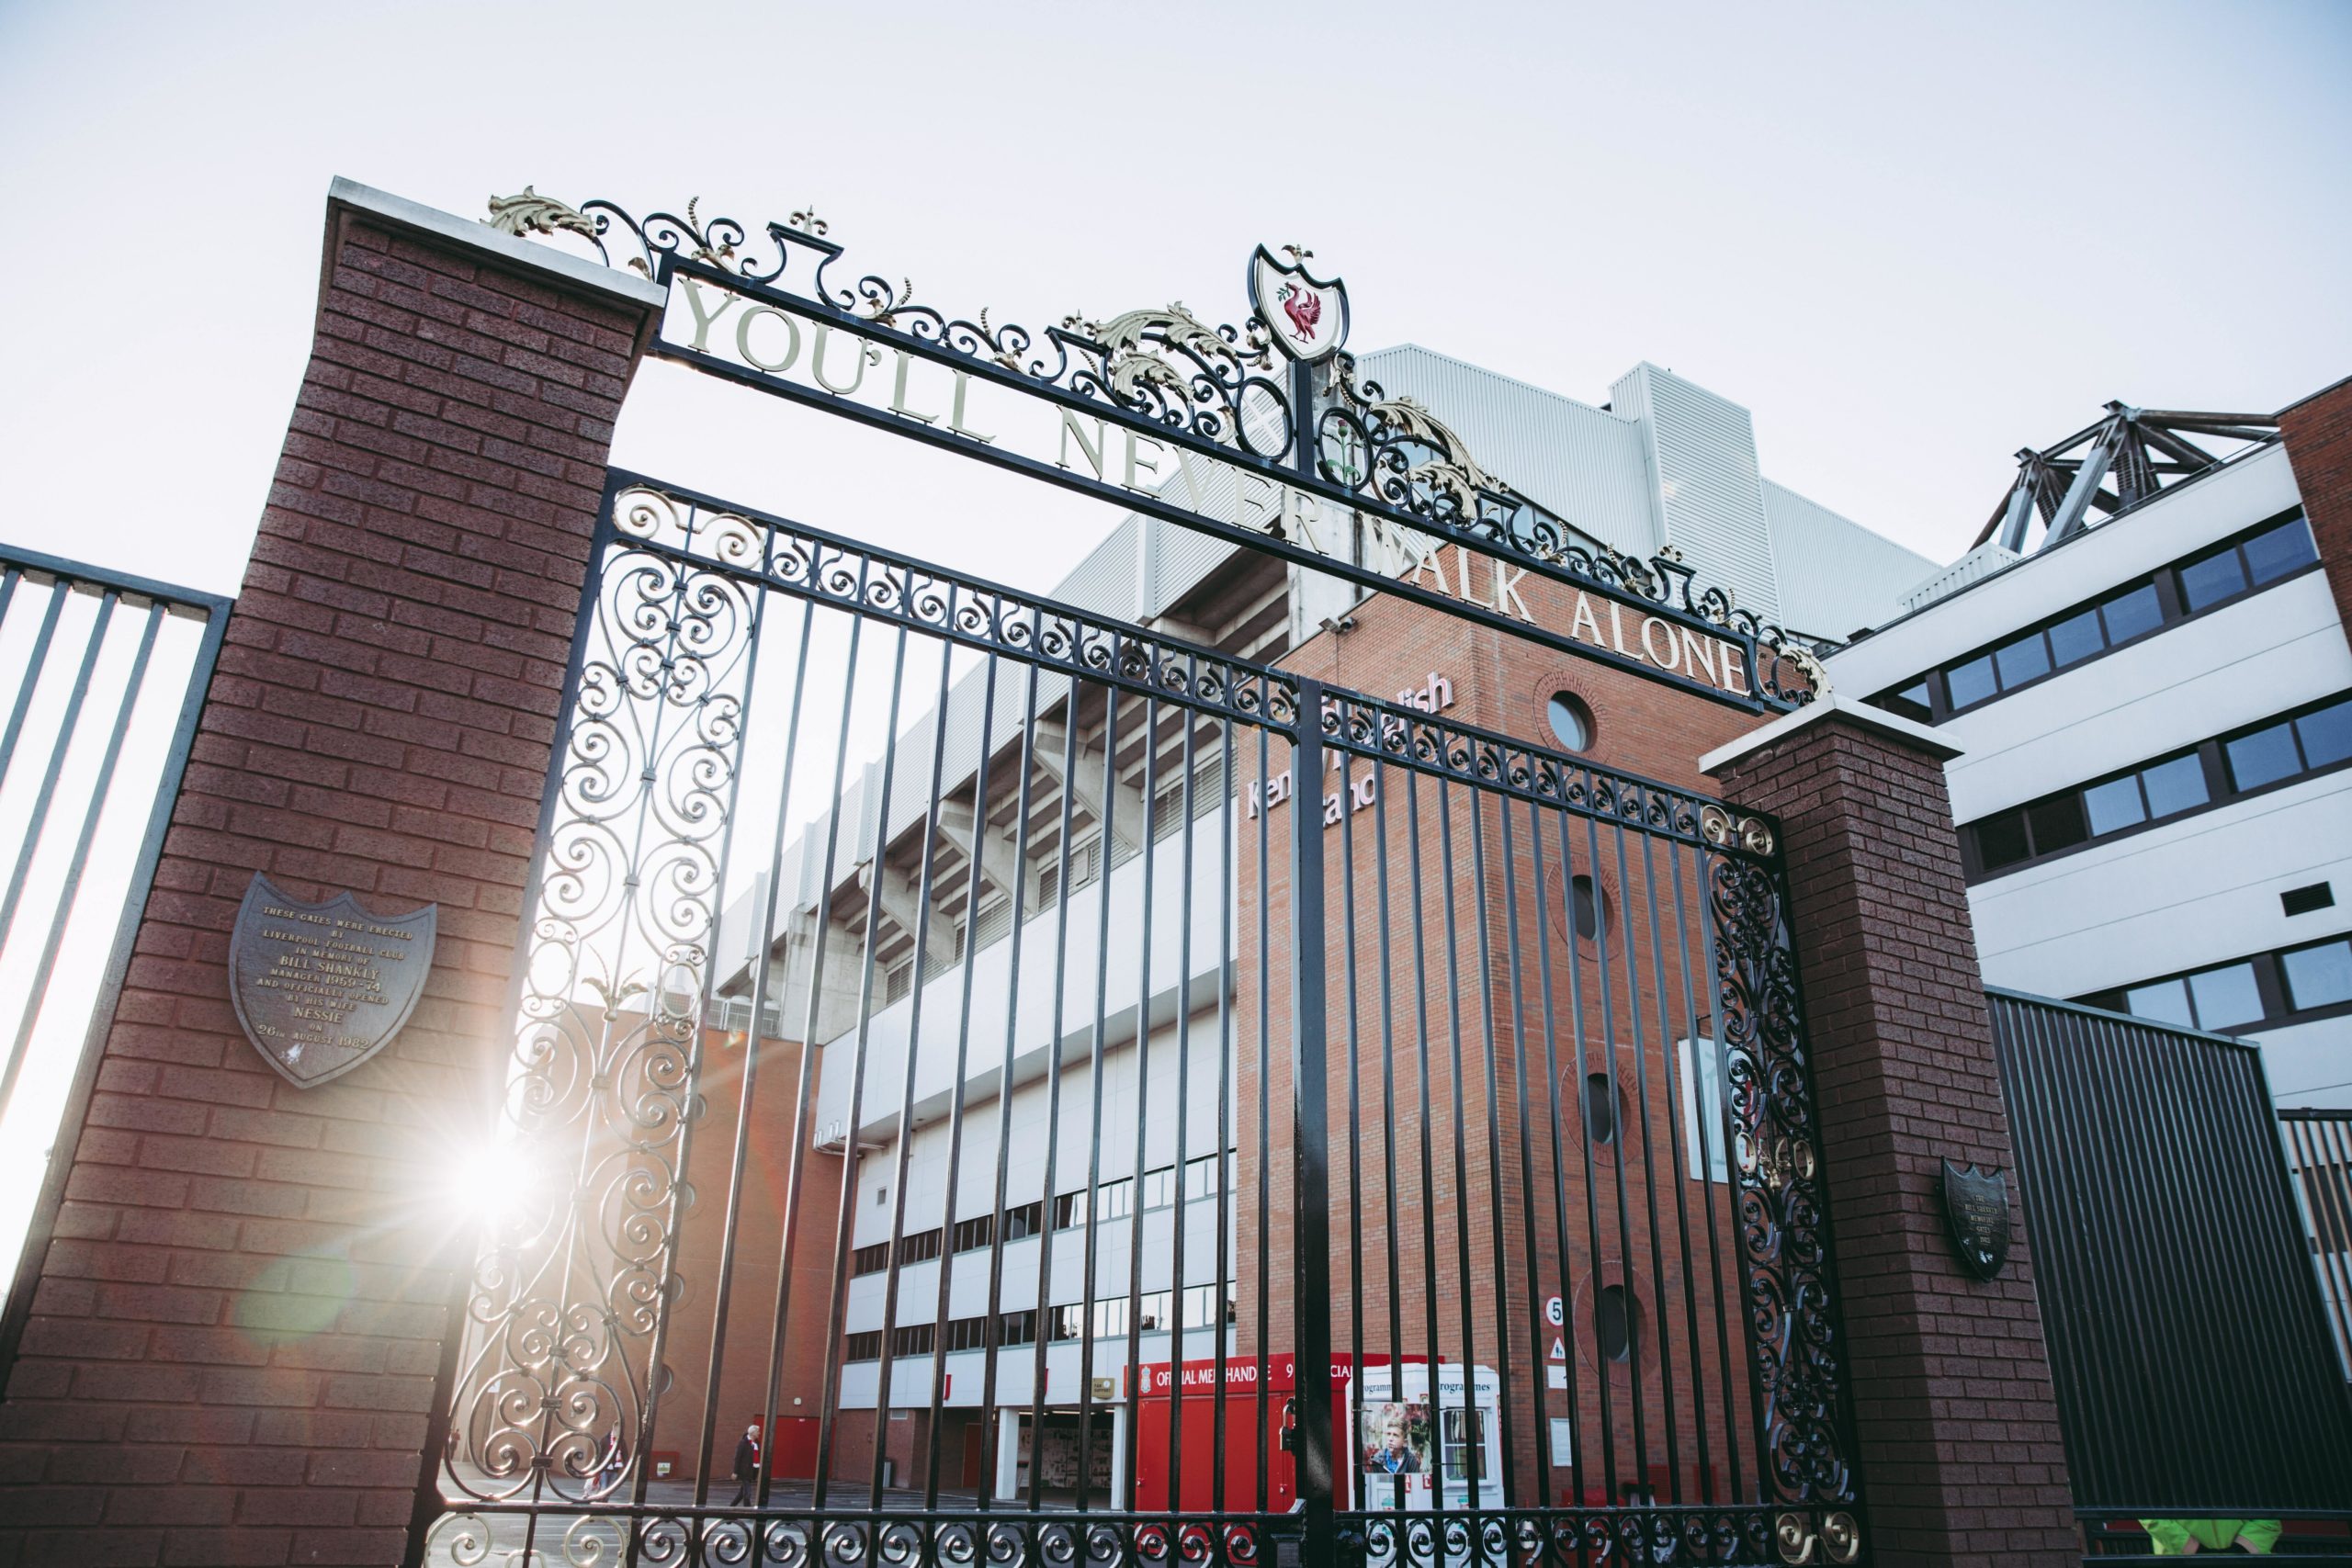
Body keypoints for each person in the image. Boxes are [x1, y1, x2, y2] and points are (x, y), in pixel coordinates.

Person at [2137, 1519, 2281, 1555]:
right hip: (2180, 1559)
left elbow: (2271, 1509)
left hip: (2248, 1561)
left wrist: (2241, 1551)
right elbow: (2143, 1502)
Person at [1365, 1407, 1420, 1474]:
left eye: (1395, 1435)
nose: (1390, 1439)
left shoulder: (1411, 1461)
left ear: (1404, 1442)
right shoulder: (1377, 1459)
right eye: (1388, 1434)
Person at [729, 1422, 762, 1507]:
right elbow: (737, 1458)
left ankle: (730, 1509)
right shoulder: (743, 1443)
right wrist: (735, 1472)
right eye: (758, 1431)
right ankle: (748, 1511)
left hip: (752, 1471)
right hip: (744, 1472)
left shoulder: (757, 1444)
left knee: (741, 1494)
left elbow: (758, 1457)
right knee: (747, 1493)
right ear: (753, 1433)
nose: (759, 1433)